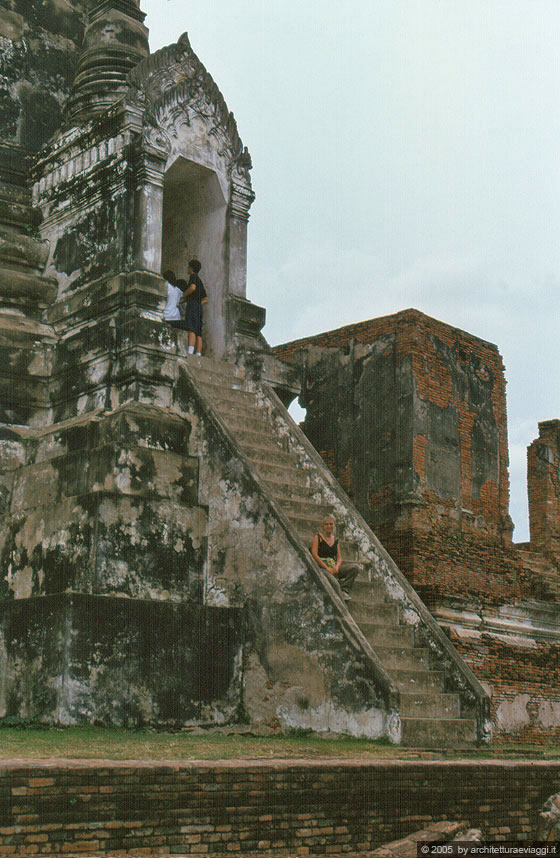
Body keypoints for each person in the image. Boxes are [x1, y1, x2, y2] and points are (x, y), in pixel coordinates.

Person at [311, 516, 359, 601]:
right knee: (335, 584)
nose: (329, 526)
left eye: (331, 524)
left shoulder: (335, 540)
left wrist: (337, 567)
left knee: (355, 568)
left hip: (333, 566)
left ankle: (345, 590)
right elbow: (314, 555)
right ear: (322, 526)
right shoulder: (318, 537)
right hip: (323, 567)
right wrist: (327, 568)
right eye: (326, 524)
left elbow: (339, 558)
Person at [179, 259, 208, 355]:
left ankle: (190, 352)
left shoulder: (193, 276)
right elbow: (206, 299)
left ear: (191, 268)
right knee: (198, 332)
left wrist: (184, 295)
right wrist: (198, 303)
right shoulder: (200, 281)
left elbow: (192, 287)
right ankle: (198, 353)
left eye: (188, 267)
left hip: (192, 306)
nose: (187, 269)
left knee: (191, 328)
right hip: (199, 307)